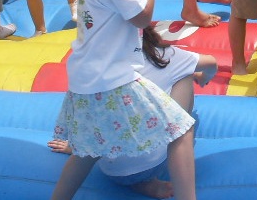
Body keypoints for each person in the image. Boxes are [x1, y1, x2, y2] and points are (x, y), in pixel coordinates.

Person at [49, 0, 197, 200]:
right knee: (181, 129)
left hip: (87, 74)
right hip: (112, 78)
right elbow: (142, 17)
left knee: (87, 151)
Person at [47, 26, 217, 199]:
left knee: (106, 112)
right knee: (185, 75)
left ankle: (136, 181)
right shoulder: (167, 56)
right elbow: (211, 63)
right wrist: (203, 77)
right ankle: (166, 185)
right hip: (154, 165)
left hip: (113, 172)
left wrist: (78, 146)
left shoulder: (99, 70)